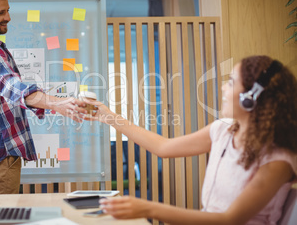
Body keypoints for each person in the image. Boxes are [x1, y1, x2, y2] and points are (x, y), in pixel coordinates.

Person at [86, 55, 297, 225]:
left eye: (231, 83)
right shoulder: (223, 130)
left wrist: (148, 208)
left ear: (251, 97)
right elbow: (163, 147)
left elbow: (229, 220)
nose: (223, 88)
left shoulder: (277, 159)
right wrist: (108, 116)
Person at [0, 0, 88, 195]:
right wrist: (59, 104)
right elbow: (13, 88)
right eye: (1, 12)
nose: (8, 17)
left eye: (8, 10)